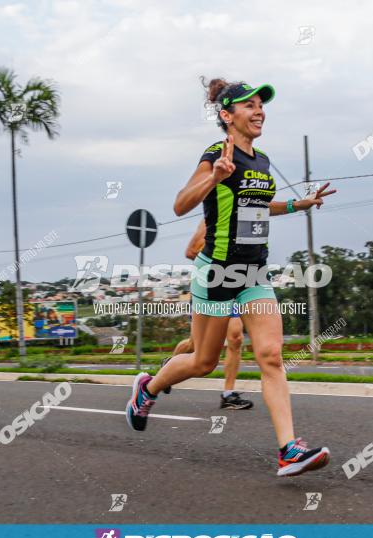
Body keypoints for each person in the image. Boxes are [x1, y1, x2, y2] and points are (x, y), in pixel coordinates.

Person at [126, 78, 337, 477]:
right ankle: (147, 389)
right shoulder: (214, 155)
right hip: (217, 272)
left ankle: (289, 450)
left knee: (271, 356)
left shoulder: (261, 160)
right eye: (249, 106)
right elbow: (180, 203)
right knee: (204, 362)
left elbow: (258, 207)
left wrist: (298, 204)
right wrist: (214, 177)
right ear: (227, 116)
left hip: (254, 270)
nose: (259, 111)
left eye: (261, 105)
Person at [159, 219, 253, 410]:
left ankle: (228, 394)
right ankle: (169, 366)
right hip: (208, 286)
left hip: (234, 283)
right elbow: (191, 251)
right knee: (195, 345)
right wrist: (222, 249)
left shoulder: (247, 215)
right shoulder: (213, 218)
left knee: (235, 338)